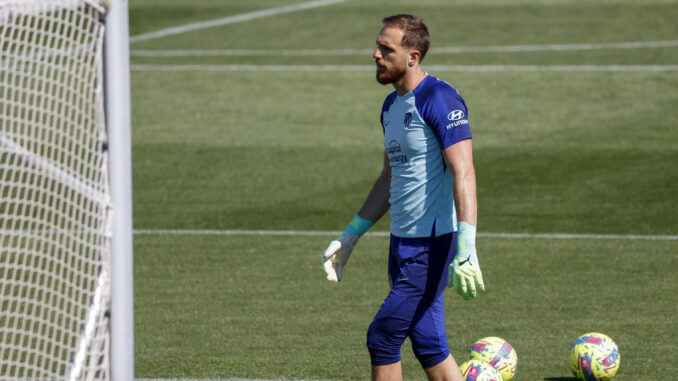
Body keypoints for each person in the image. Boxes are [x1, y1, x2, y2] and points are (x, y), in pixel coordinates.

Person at [322, 14, 485, 381]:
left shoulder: (440, 99)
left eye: (385, 48)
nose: (375, 54)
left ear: (413, 56)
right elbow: (388, 178)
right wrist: (350, 237)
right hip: (401, 246)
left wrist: (467, 247)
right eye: (377, 45)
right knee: (429, 344)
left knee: (382, 337)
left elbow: (465, 171)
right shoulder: (390, 107)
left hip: (432, 247)